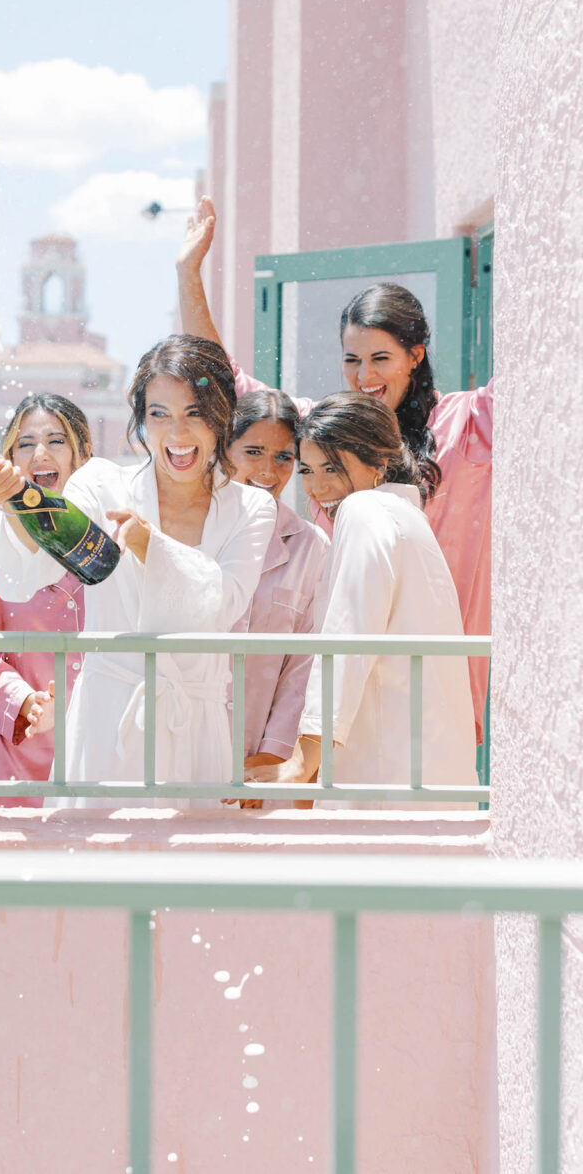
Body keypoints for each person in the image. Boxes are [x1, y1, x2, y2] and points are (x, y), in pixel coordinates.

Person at [176, 195, 493, 743]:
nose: (364, 375)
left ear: (415, 356)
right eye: (352, 359)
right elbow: (220, 382)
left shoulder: (467, 424)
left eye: (380, 358)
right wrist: (188, 273)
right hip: (335, 693)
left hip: (433, 680)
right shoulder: (318, 429)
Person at [0, 336, 276, 806]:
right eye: (158, 414)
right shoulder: (101, 483)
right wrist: (15, 506)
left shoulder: (251, 506)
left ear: (222, 416)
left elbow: (222, 604)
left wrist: (148, 546)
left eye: (194, 412)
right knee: (97, 868)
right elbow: (27, 575)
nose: (176, 434)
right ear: (141, 419)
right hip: (106, 720)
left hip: (194, 726)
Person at [246, 394, 477, 811]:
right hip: (428, 779)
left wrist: (302, 760)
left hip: (387, 782)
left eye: (332, 468)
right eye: (307, 471)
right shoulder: (406, 519)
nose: (317, 488)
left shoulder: (365, 510)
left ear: (377, 463)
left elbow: (347, 636)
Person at [0, 394, 92, 807]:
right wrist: (25, 704)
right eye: (26, 444)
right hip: (7, 745)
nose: (40, 454)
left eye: (57, 441)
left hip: (94, 742)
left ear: (83, 454)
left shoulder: (105, 538)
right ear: (10, 457)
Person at [226, 391, 330, 806]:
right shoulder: (193, 532)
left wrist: (273, 751)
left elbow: (304, 661)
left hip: (265, 764)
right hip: (189, 743)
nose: (268, 470)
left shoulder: (310, 545)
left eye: (284, 457)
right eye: (253, 451)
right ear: (225, 448)